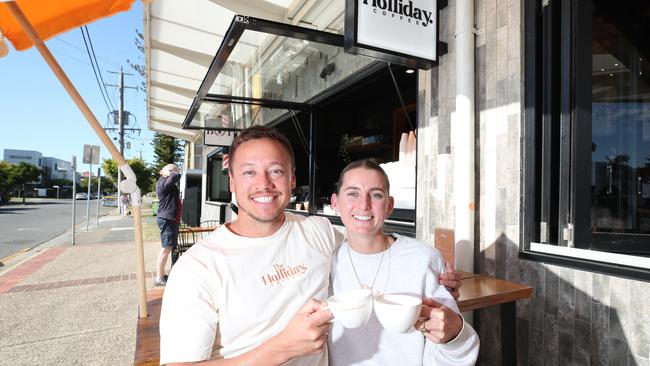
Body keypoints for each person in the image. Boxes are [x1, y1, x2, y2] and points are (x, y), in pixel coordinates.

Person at [159, 126, 463, 365]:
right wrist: (279, 349)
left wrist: (437, 278)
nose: (264, 183)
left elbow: (371, 253)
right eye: (249, 171)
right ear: (233, 182)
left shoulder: (318, 231)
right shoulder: (197, 268)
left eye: (276, 171)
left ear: (292, 179)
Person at [328, 159, 479, 365]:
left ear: (389, 205)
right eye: (353, 193)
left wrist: (455, 336)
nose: (364, 204)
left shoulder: (422, 258)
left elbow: (449, 349)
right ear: (335, 203)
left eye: (376, 195)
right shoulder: (326, 262)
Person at [155, 163, 181, 286]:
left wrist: (169, 172)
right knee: (166, 248)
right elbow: (176, 176)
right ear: (162, 172)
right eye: (171, 170)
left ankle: (165, 274)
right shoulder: (163, 183)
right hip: (167, 219)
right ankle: (159, 277)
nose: (174, 172)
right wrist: (171, 173)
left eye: (175, 169)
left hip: (170, 219)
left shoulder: (167, 183)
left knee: (170, 247)